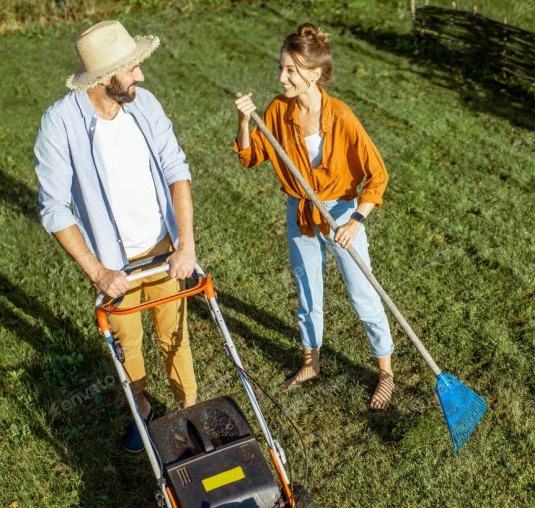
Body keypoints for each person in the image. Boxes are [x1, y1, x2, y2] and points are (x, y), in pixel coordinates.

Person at [34, 20, 199, 451]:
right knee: (127, 346)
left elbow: (176, 170)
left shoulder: (144, 105)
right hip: (114, 263)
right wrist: (99, 273)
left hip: (164, 249)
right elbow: (54, 209)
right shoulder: (60, 124)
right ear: (106, 78)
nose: (141, 76)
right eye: (132, 69)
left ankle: (188, 412)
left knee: (175, 336)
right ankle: (142, 409)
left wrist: (186, 244)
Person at [233, 23, 396, 410]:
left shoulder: (341, 116)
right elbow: (249, 156)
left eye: (290, 70)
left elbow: (378, 175)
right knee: (308, 292)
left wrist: (356, 220)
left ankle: (385, 372)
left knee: (363, 294)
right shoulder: (276, 110)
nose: (282, 77)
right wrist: (244, 121)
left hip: (341, 211)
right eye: (281, 68)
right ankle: (311, 363)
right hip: (301, 212)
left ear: (315, 73)